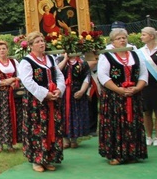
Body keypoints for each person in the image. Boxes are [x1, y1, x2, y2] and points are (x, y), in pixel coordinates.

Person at [97, 28, 148, 165]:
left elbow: (143, 73)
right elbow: (103, 76)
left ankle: (133, 152)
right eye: (119, 38)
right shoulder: (107, 55)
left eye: (124, 37)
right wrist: (119, 90)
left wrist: (137, 88)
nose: (122, 40)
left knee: (133, 124)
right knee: (116, 124)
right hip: (114, 98)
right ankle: (116, 154)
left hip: (133, 95)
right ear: (112, 41)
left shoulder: (135, 54)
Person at [17, 32, 66, 172]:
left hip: (52, 99)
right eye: (38, 41)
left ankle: (49, 158)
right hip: (36, 102)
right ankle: (37, 159)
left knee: (52, 127)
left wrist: (59, 90)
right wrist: (45, 94)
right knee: (37, 128)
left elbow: (59, 75)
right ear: (31, 45)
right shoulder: (26, 61)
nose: (42, 43)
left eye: (42, 41)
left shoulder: (50, 59)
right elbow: (27, 81)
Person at [0, 41, 22, 153]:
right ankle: (0, 144)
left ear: (7, 50)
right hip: (1, 96)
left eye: (4, 48)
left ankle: (11, 144)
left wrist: (15, 81)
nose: (2, 50)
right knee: (1, 118)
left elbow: (21, 75)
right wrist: (8, 81)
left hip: (14, 94)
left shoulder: (14, 62)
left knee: (14, 117)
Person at [57, 53, 90, 149]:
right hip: (62, 92)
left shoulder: (82, 61)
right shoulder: (59, 59)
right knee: (63, 115)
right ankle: (66, 140)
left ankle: (74, 139)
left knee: (76, 115)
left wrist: (82, 91)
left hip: (76, 91)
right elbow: (55, 71)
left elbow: (87, 77)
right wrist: (65, 59)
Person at [138, 27, 157, 146]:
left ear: (151, 36)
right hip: (146, 85)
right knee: (147, 111)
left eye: (144, 35)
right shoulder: (140, 52)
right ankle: (148, 136)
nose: (141, 37)